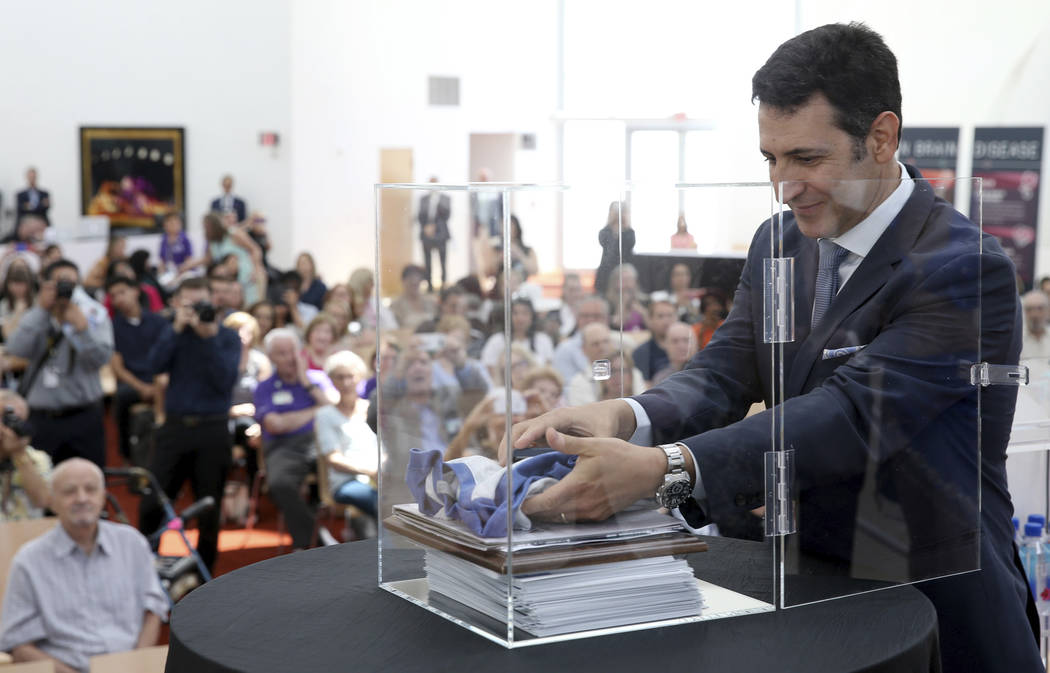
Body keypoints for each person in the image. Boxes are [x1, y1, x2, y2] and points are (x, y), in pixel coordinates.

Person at [505, 23, 1041, 673]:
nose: (784, 184)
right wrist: (627, 415)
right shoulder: (779, 242)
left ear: (880, 137)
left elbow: (851, 415)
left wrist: (666, 467)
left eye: (806, 159)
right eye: (771, 159)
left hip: (934, 614)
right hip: (810, 603)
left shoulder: (963, 266)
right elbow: (725, 367)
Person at [0, 458, 167, 673]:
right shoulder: (29, 562)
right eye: (69, 492)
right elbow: (17, 643)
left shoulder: (132, 544)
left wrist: (135, 664)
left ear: (103, 495)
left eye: (90, 489)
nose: (81, 498)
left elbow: (154, 610)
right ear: (52, 501)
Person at [138, 277, 240, 572]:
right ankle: (145, 567)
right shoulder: (172, 331)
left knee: (209, 509)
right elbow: (153, 366)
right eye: (189, 304)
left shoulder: (227, 338)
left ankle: (204, 574)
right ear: (177, 304)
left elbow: (224, 382)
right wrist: (176, 329)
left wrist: (207, 337)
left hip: (213, 428)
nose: (196, 310)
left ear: (214, 300)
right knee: (152, 503)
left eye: (202, 303)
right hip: (175, 427)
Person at [6, 259, 113, 468]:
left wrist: (83, 330)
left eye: (71, 283)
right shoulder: (36, 316)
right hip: (43, 418)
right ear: (45, 285)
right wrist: (41, 312)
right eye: (59, 283)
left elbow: (101, 359)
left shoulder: (94, 315)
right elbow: (17, 349)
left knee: (88, 479)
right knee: (43, 485)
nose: (65, 289)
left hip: (84, 415)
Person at [253, 328, 335, 550]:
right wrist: (316, 410)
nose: (290, 358)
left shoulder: (316, 379)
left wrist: (307, 385)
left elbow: (334, 408)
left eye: (293, 351)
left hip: (321, 444)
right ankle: (314, 539)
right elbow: (275, 425)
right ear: (271, 358)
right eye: (282, 353)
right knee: (280, 483)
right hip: (284, 447)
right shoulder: (264, 387)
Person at [107, 276, 167, 463]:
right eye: (114, 296)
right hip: (133, 382)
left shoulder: (158, 321)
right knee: (122, 398)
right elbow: (117, 367)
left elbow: (167, 357)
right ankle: (127, 454)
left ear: (135, 291)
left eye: (122, 292)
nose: (119, 299)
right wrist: (142, 388)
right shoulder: (113, 327)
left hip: (161, 379)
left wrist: (157, 385)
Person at [316, 351, 378, 522]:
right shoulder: (325, 415)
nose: (346, 382)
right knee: (380, 504)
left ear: (360, 377)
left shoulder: (372, 408)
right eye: (339, 377)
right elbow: (333, 458)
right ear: (332, 380)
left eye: (350, 376)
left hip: (379, 478)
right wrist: (370, 471)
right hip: (346, 482)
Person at [0, 390, 51, 522]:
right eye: (6, 419)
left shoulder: (37, 458)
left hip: (28, 534)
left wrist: (19, 453)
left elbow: (42, 502)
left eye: (18, 420)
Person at [594, 200, 635, 297]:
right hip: (606, 269)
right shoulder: (605, 231)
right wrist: (614, 230)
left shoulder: (629, 232)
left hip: (623, 269)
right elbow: (605, 244)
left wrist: (623, 227)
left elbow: (629, 246)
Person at [418, 176, 451, 291]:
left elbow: (447, 215)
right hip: (427, 234)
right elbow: (420, 216)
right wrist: (426, 227)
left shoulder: (445, 198)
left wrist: (437, 202)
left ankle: (443, 286)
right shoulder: (423, 199)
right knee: (427, 262)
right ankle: (429, 286)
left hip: (441, 234)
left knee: (442, 262)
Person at [632, 300, 675, 384]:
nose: (666, 321)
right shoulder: (641, 353)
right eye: (660, 316)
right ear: (650, 320)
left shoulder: (687, 347)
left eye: (670, 315)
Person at [389, 264, 437, 332]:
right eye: (410, 279)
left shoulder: (431, 301)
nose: (414, 281)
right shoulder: (396, 305)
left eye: (418, 278)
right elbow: (394, 329)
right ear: (403, 281)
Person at [158, 212, 193, 278]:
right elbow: (162, 261)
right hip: (169, 272)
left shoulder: (184, 239)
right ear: (165, 225)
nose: (174, 225)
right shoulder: (164, 239)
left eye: (176, 223)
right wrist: (161, 274)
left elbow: (188, 260)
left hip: (183, 271)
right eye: (171, 223)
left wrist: (179, 273)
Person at [1020, 289, 1050, 361]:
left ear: (1048, 311)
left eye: (1040, 308)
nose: (1034, 314)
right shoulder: (1017, 341)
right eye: (1029, 309)